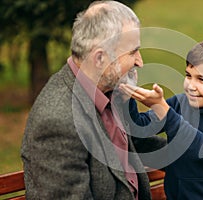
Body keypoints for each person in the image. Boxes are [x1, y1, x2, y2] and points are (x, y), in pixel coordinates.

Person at [21, 1, 166, 199]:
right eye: (133, 52)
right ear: (99, 59)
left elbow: (133, 143)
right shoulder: (57, 122)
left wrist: (199, 151)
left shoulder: (107, 88)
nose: (140, 61)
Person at [120, 37, 203, 199]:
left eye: (201, 79)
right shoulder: (181, 103)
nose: (191, 86)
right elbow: (140, 126)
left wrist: (162, 109)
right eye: (188, 75)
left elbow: (202, 148)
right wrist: (127, 98)